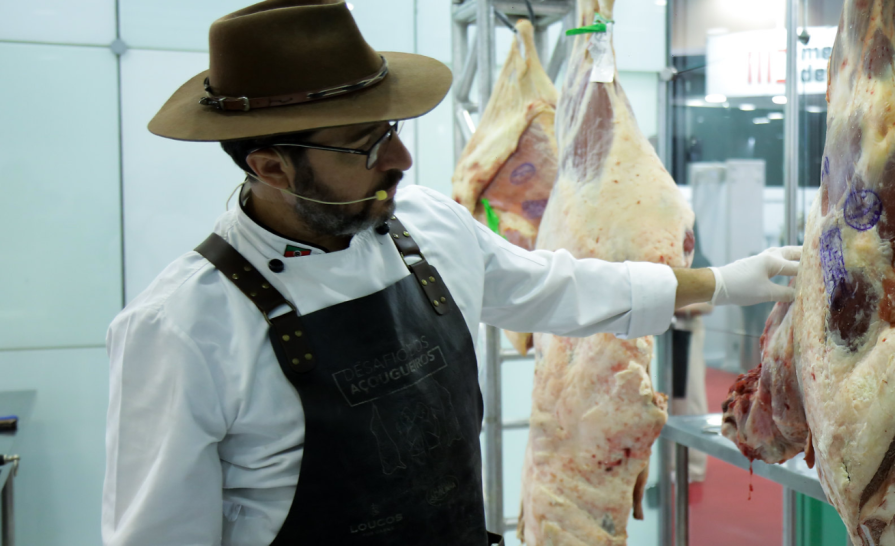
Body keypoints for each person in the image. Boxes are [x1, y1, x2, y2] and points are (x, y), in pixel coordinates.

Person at [102, 2, 802, 545]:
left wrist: (728, 283)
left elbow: (561, 287)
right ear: (271, 166)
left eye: (394, 129)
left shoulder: (426, 228)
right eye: (365, 144)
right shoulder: (183, 328)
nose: (401, 158)